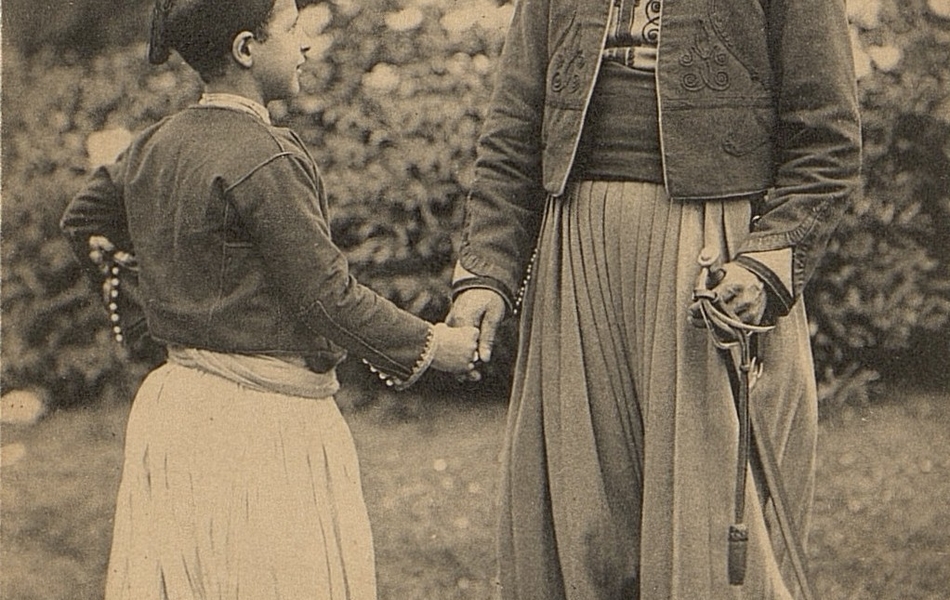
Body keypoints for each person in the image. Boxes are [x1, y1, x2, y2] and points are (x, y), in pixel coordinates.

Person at [60, 1, 479, 598]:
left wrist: (156, 298)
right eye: (292, 29)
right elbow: (328, 300)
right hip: (263, 426)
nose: (307, 44)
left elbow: (84, 222)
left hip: (179, 406)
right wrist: (438, 347)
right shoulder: (267, 156)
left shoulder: (154, 142)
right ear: (246, 50)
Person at [448, 0, 861, 598]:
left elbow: (827, 142)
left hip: (712, 260)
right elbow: (513, 128)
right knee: (581, 520)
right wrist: (487, 272)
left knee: (710, 529)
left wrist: (764, 264)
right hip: (578, 249)